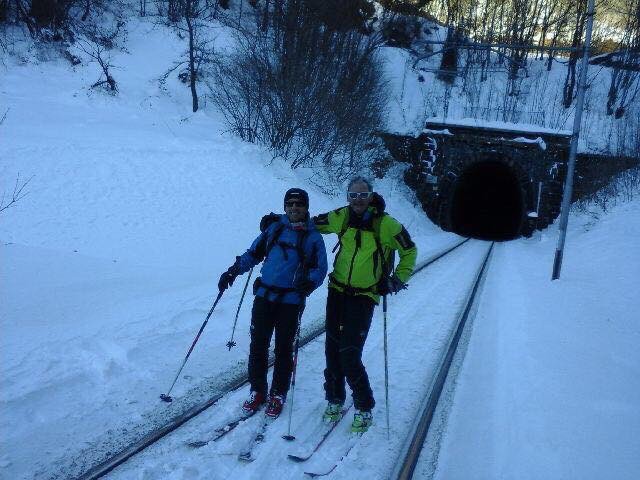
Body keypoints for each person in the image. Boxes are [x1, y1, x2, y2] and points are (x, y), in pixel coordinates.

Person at [312, 177, 417, 433]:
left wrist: (396, 280)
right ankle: (335, 399)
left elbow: (409, 251)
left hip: (365, 296)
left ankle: (364, 406)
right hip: (337, 291)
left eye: (362, 195)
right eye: (353, 195)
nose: (357, 200)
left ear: (371, 195)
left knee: (349, 353)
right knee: (332, 349)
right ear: (347, 196)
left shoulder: (387, 224)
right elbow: (309, 223)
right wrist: (280, 222)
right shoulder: (341, 216)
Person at [218, 188, 328, 419]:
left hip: (291, 301)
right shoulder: (274, 228)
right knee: (258, 346)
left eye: (299, 204)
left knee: (284, 349)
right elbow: (253, 253)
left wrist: (310, 283)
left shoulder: (313, 236)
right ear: (285, 207)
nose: (294, 208)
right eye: (290, 204)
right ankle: (258, 390)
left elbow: (321, 268)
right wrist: (232, 271)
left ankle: (278, 393)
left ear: (306, 207)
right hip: (264, 297)